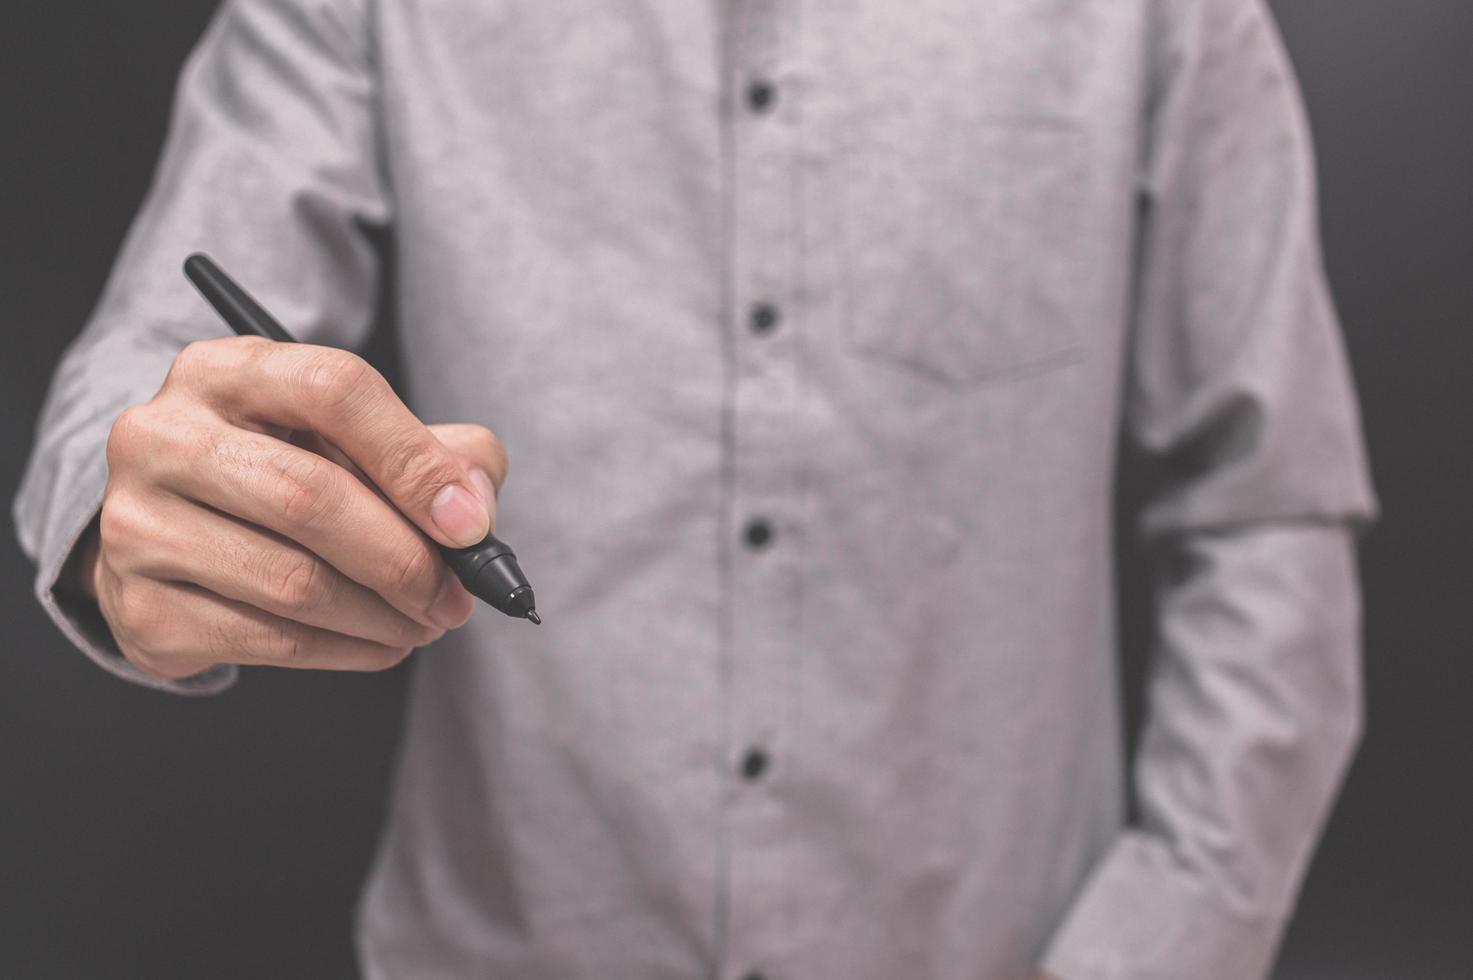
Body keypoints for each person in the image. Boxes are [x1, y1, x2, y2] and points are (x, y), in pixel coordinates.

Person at [13, 1, 1378, 977]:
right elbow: (145, 361)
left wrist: (1160, 945)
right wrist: (130, 513)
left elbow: (1268, 508)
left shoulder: (1170, 17)